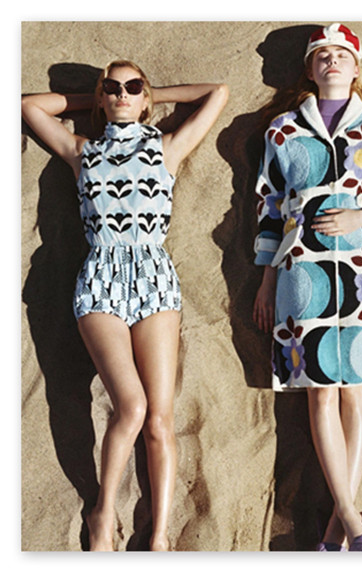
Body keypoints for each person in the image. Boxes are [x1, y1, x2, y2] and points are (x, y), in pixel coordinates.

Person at [21, 60, 228, 551]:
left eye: (131, 87)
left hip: (155, 281)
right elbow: (30, 107)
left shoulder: (167, 147)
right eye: (111, 88)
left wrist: (150, 93)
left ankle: (158, 537)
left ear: (145, 97)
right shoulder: (82, 150)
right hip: (101, 280)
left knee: (159, 420)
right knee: (131, 406)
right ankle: (102, 512)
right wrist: (93, 100)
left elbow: (216, 92)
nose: (121, 94)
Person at [252, 23, 362, 552]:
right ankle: (350, 519)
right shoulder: (282, 130)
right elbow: (269, 207)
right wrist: (267, 278)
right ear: (310, 68)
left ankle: (333, 537)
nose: (332, 60)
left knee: (357, 392)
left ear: (356, 67)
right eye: (322, 55)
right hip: (303, 269)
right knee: (321, 392)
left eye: (342, 54)